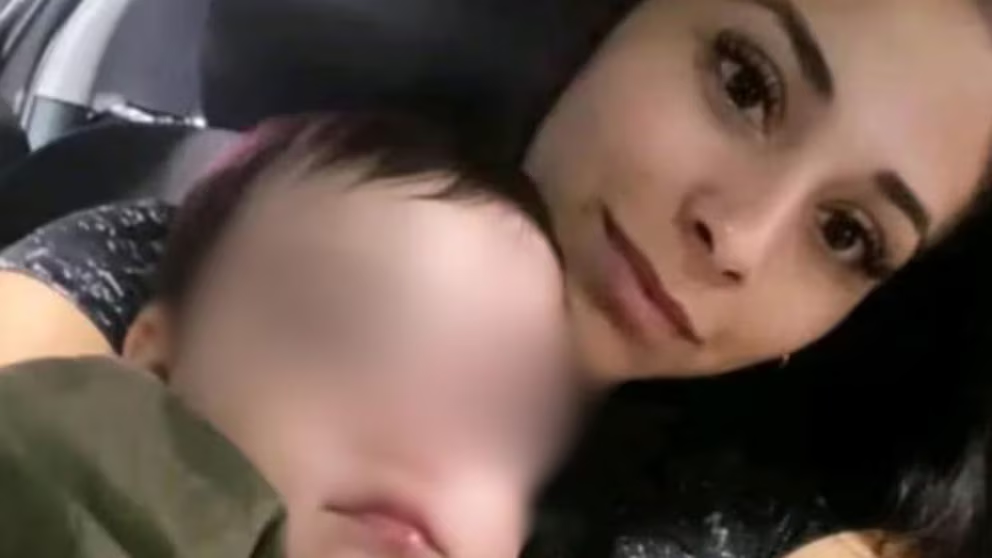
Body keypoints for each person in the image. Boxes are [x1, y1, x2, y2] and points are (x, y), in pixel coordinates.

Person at [3, 0, 992, 556]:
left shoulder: (800, 525)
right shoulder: (198, 261)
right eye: (745, 84)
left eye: (846, 234)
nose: (737, 236)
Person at [0, 112, 577, 558]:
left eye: (491, 412)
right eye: (345, 339)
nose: (425, 433)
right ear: (155, 366)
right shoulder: (50, 497)